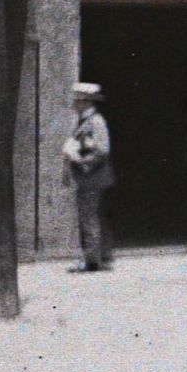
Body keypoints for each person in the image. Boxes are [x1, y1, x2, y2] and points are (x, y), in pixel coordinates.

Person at [62, 82, 115, 272]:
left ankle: (92, 261)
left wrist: (82, 161)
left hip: (93, 177)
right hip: (91, 178)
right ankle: (100, 257)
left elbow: (102, 149)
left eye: (77, 100)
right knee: (92, 216)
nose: (74, 103)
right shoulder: (84, 121)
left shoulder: (95, 121)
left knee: (89, 217)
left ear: (85, 102)